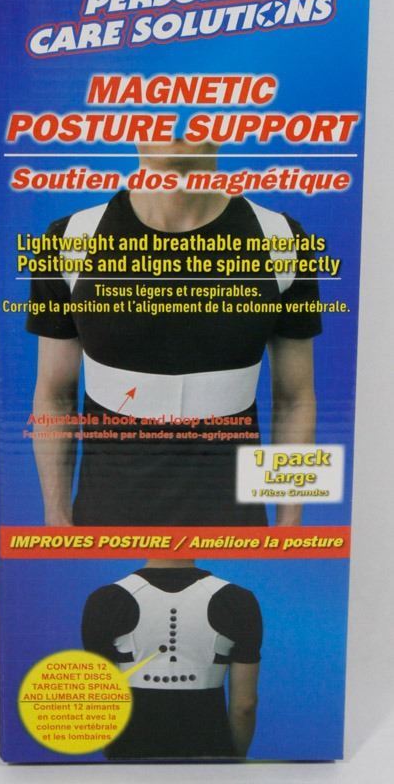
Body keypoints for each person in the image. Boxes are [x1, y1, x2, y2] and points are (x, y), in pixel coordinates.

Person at [27, 142, 321, 526]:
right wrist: (56, 518)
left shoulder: (281, 241)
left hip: (234, 529)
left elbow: (295, 399)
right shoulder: (69, 241)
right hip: (104, 527)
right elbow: (55, 395)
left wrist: (289, 526)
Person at [81, 558, 262, 759]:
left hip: (130, 748)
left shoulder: (105, 600)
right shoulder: (237, 600)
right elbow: (244, 705)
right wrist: (234, 759)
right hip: (209, 748)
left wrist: (112, 753)